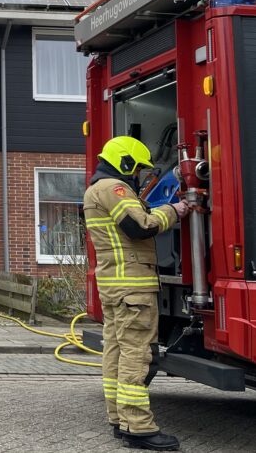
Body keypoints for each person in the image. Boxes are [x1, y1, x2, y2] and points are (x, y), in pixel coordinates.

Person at [83, 136, 188, 452]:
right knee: (137, 355)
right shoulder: (114, 189)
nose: (141, 175)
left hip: (116, 286)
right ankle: (139, 428)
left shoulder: (97, 190)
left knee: (116, 352)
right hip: (133, 288)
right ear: (125, 162)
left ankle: (120, 420)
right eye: (139, 168)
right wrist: (176, 210)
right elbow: (140, 226)